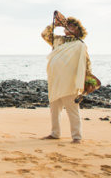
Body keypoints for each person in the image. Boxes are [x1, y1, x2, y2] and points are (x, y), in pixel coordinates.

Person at [41, 11, 91, 143]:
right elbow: (44, 35)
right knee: (54, 110)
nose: (68, 27)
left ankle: (77, 137)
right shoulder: (59, 40)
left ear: (78, 30)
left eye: (72, 26)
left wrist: (87, 83)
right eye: (67, 25)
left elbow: (86, 64)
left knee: (72, 110)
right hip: (55, 80)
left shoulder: (80, 45)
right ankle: (55, 133)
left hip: (70, 82)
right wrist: (54, 25)